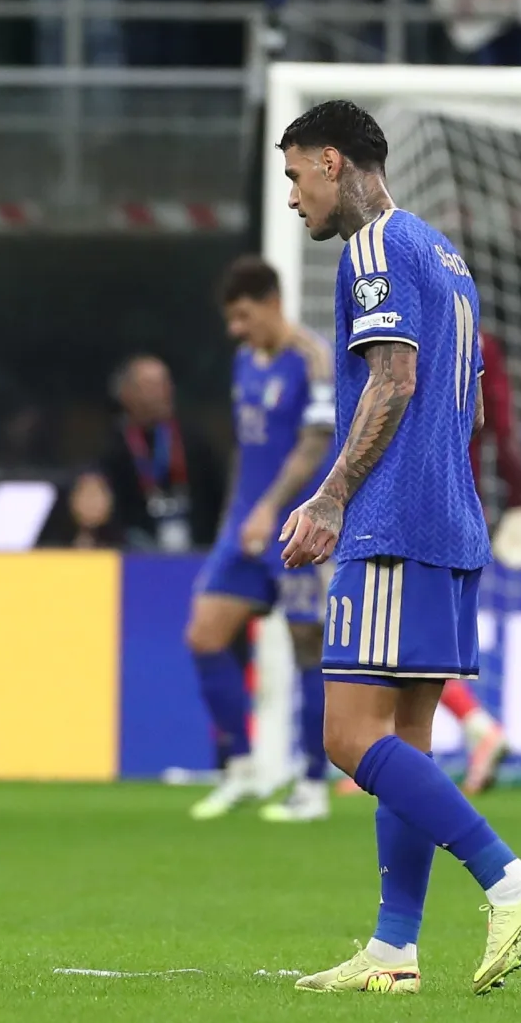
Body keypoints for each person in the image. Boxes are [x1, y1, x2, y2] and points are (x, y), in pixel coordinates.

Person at [275, 100, 521, 997]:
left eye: (296, 176)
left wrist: (332, 496)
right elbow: (465, 406)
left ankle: (510, 882)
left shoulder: (374, 248)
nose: (293, 198)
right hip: (450, 522)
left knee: (347, 738)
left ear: (332, 162)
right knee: (405, 742)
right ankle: (393, 949)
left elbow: (395, 379)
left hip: (392, 524)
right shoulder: (445, 255)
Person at [336, 327, 521, 799]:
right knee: (412, 653)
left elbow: (396, 391)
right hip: (460, 509)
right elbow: (489, 419)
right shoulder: (472, 330)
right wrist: (519, 498)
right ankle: (442, 739)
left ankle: (379, 752)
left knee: (382, 645)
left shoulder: (396, 327)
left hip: (403, 510)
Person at [186, 257, 337, 823]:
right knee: (205, 635)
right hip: (244, 527)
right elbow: (247, 449)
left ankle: (312, 785)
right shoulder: (244, 362)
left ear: (273, 302)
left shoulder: (315, 358)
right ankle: (243, 769)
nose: (236, 329)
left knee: (307, 648)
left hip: (297, 527)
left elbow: (315, 444)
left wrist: (271, 508)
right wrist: (237, 515)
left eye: (244, 316)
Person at [70, 355, 226, 552]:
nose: (162, 392)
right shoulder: (110, 446)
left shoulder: (194, 441)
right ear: (125, 393)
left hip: (197, 550)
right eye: (151, 385)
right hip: (134, 552)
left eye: (165, 383)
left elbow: (220, 498)